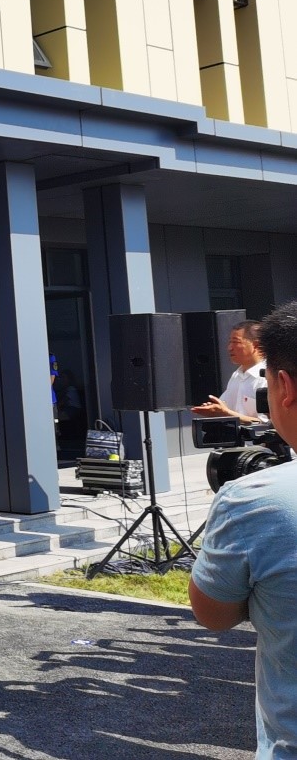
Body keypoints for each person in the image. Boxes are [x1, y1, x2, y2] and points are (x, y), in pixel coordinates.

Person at [190, 301, 297, 758]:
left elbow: (214, 613)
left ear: (284, 386)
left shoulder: (254, 502)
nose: (231, 348)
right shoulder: (237, 378)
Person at [191, 319, 268, 423]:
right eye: (229, 342)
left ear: (256, 345)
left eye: (236, 342)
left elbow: (267, 424)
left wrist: (225, 413)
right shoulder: (237, 375)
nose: (230, 348)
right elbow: (225, 407)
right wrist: (215, 410)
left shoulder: (268, 377)